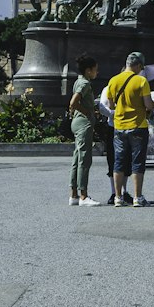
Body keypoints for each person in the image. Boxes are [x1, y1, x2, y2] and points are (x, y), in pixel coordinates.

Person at [107, 51, 154, 207]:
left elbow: (111, 105)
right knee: (137, 163)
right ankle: (137, 197)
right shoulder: (141, 81)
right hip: (138, 126)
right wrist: (153, 105)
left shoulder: (113, 80)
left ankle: (118, 198)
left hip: (119, 126)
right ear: (139, 65)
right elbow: (148, 105)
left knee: (119, 162)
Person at [68, 54, 102, 207]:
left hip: (77, 122)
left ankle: (74, 195)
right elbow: (73, 102)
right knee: (84, 159)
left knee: (77, 159)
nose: (97, 72)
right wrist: (87, 112)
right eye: (95, 70)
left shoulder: (78, 81)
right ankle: (83, 196)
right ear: (89, 71)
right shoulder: (85, 83)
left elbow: (72, 105)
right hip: (84, 124)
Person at [98, 84, 131, 206]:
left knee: (127, 159)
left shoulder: (131, 87)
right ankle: (114, 192)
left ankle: (124, 191)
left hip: (128, 126)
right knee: (112, 159)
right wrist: (114, 113)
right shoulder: (108, 88)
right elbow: (102, 107)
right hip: (113, 126)